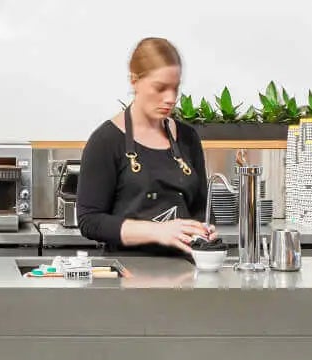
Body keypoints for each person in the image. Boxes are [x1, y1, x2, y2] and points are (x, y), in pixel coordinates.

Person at [75, 37, 217, 258]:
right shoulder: (106, 141)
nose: (170, 98)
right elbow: (90, 220)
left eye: (175, 88)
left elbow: (200, 210)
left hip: (185, 275)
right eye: (160, 88)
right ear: (134, 80)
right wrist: (158, 231)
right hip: (128, 279)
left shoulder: (188, 138)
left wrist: (203, 230)